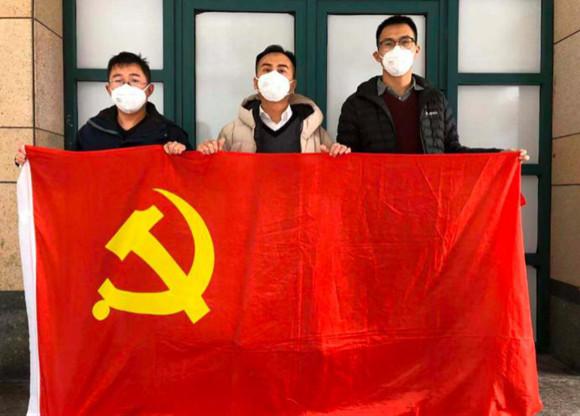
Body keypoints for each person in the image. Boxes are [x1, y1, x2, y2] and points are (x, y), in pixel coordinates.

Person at [336, 15, 529, 161]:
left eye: (405, 41)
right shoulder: (356, 104)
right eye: (388, 43)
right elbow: (348, 161)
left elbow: (453, 151)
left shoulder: (435, 100)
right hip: (379, 198)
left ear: (416, 50)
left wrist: (500, 156)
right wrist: (339, 152)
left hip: (429, 197)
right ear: (377, 55)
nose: (397, 49)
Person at [15, 51, 190, 165]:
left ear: (149, 90)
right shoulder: (91, 132)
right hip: (103, 212)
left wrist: (180, 156)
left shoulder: (170, 134)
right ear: (109, 89)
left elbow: (190, 179)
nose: (126, 86)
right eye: (118, 80)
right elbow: (67, 170)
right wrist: (32, 161)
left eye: (134, 80)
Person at [196, 45, 350, 157]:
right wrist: (207, 154)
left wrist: (338, 155)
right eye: (267, 70)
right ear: (256, 83)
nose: (274, 76)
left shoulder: (315, 132)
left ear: (292, 85)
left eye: (282, 70)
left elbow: (331, 176)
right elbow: (218, 178)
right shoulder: (231, 132)